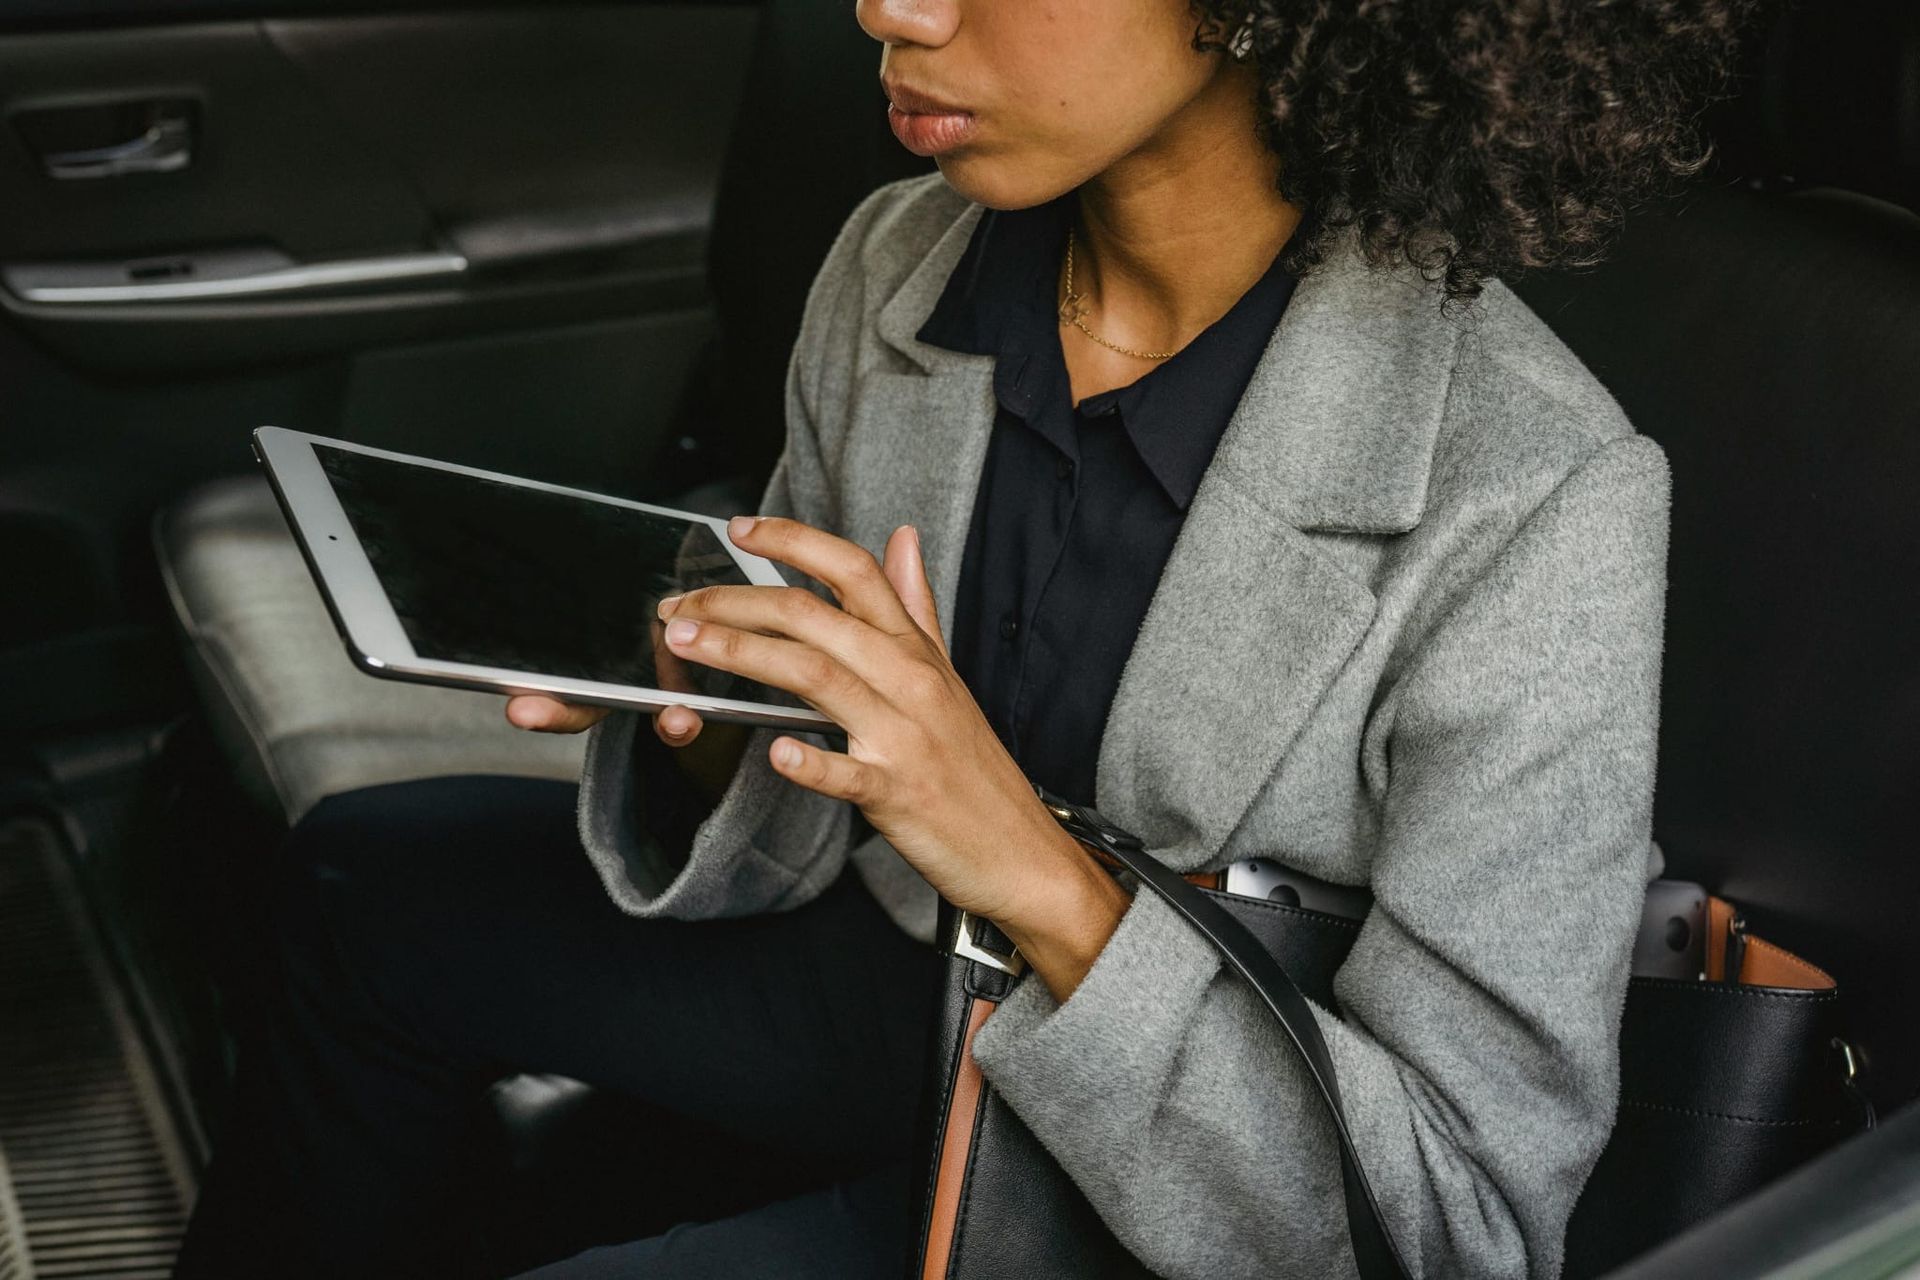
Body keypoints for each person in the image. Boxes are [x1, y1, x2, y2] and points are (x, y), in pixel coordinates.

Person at [173, 0, 1756, 1275]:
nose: (890, 10)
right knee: (361, 884)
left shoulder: (1543, 494)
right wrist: (716, 702)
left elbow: (1458, 1234)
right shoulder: (898, 261)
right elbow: (813, 799)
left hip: (1143, 1155)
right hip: (882, 977)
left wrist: (1021, 855)